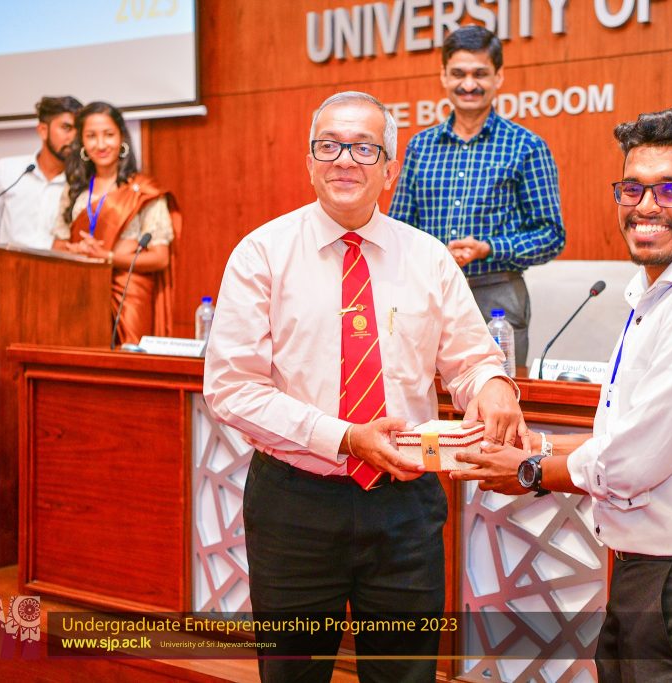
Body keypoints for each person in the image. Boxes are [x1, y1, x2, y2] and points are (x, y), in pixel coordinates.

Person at [203, 91, 526, 683]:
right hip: (294, 504)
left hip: (405, 506)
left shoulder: (428, 258)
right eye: (328, 146)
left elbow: (472, 359)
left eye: (363, 148)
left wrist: (494, 384)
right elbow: (231, 388)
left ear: (390, 168)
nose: (344, 160)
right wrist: (345, 438)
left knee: (405, 674)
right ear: (309, 161)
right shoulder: (262, 254)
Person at [453, 106, 672, 682]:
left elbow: (634, 462)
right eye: (632, 188)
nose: (646, 205)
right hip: (646, 572)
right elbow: (624, 436)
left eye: (671, 189)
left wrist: (530, 470)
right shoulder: (656, 293)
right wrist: (540, 444)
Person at [389, 25, 565, 367]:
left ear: (498, 77)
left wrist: (489, 248)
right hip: (428, 293)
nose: (468, 84)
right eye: (458, 73)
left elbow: (550, 235)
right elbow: (398, 229)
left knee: (498, 392)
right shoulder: (420, 147)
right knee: (426, 391)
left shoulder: (527, 146)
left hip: (497, 297)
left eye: (480, 74)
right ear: (443, 75)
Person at [51, 101, 181, 345]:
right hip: (80, 296)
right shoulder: (75, 189)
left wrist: (107, 257)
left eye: (108, 134)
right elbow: (57, 246)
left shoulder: (143, 192)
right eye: (91, 136)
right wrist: (77, 252)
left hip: (129, 298)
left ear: (121, 137)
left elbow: (160, 258)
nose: (101, 144)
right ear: (82, 142)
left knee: (127, 363)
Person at [0, 95, 82, 249]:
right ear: (43, 131)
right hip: (8, 263)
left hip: (58, 264)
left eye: (78, 130)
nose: (73, 137)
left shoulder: (82, 180)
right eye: (66, 128)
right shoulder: (8, 169)